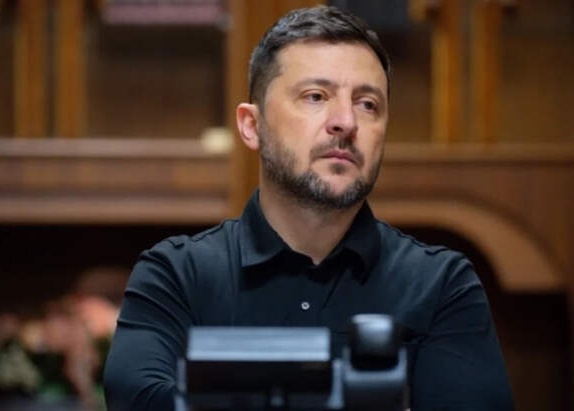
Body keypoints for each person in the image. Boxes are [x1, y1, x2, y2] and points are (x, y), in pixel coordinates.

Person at [104, 6, 514, 411]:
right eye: (316, 96)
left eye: (367, 104)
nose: (346, 121)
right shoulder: (176, 275)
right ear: (252, 126)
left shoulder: (441, 285)